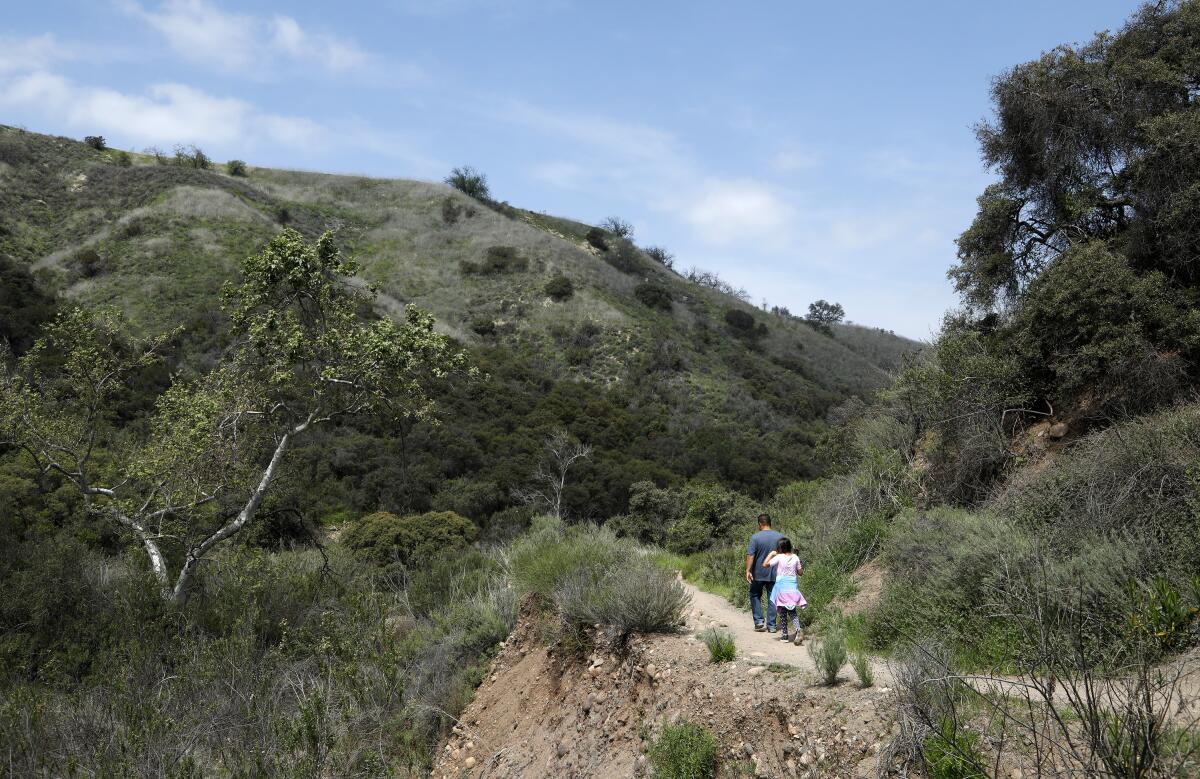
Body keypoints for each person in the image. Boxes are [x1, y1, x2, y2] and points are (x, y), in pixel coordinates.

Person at [763, 538, 807, 645]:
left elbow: (765, 564)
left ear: (780, 548)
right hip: (792, 588)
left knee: (782, 611)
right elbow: (800, 573)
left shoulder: (779, 557)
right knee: (792, 611)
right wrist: (799, 566)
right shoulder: (795, 557)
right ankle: (798, 630)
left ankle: (785, 635)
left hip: (781, 588)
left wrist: (771, 554)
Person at [745, 513, 783, 632]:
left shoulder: (755, 537)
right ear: (770, 523)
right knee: (773, 598)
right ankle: (771, 626)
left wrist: (748, 570)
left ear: (760, 524)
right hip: (775, 573)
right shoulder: (780, 537)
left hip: (758, 573)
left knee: (755, 594)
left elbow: (751, 555)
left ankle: (759, 622)